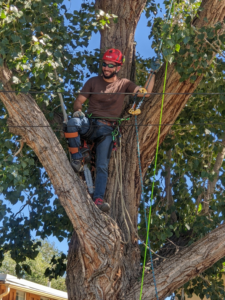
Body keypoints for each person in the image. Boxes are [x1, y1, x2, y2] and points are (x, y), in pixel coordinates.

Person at [66, 48, 155, 212]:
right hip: (90, 124)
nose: (106, 68)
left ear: (118, 68)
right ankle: (76, 159)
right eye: (104, 64)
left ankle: (98, 199)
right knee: (72, 123)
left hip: (107, 130)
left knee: (102, 166)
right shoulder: (93, 81)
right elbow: (79, 101)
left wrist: (153, 73)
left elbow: (145, 94)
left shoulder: (124, 84)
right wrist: (78, 111)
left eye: (110, 65)